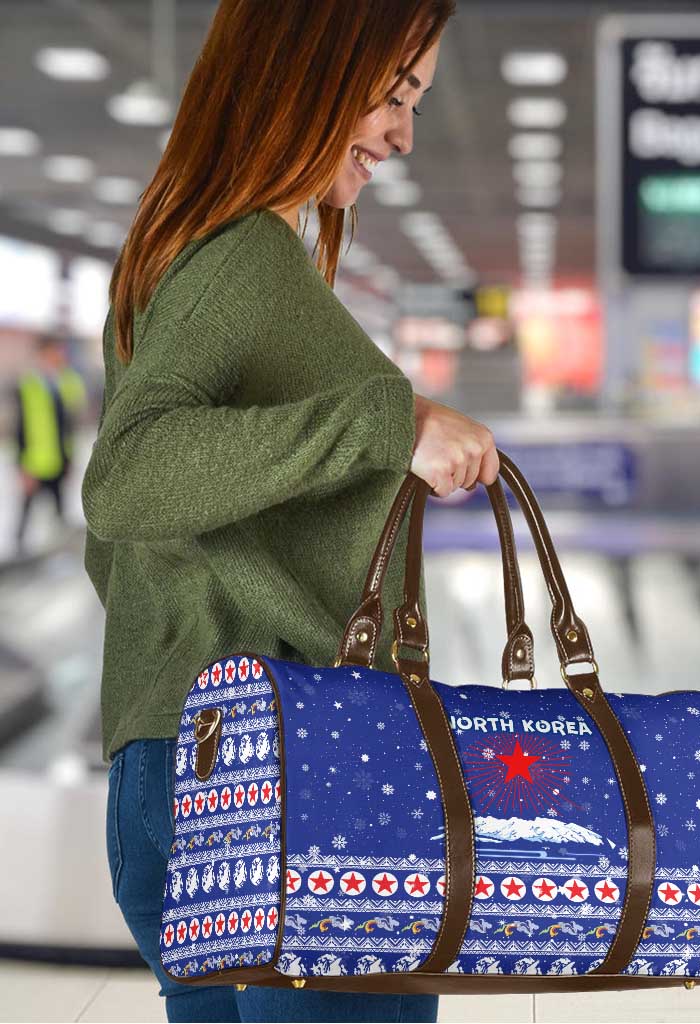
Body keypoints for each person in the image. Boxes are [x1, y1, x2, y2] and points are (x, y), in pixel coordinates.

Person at [81, 3, 497, 1021]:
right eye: (395, 94)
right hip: (294, 772)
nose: (401, 133)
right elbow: (126, 477)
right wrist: (386, 423)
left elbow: (135, 538)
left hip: (187, 756)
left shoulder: (186, 251)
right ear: (306, 65)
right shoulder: (239, 261)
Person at [11, 331, 85, 556]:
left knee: (60, 511)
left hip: (60, 459)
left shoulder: (65, 381)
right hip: (35, 462)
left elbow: (71, 419)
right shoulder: (28, 385)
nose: (59, 355)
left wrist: (70, 458)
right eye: (54, 351)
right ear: (43, 353)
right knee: (26, 512)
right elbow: (20, 428)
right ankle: (18, 554)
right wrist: (22, 466)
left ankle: (59, 554)